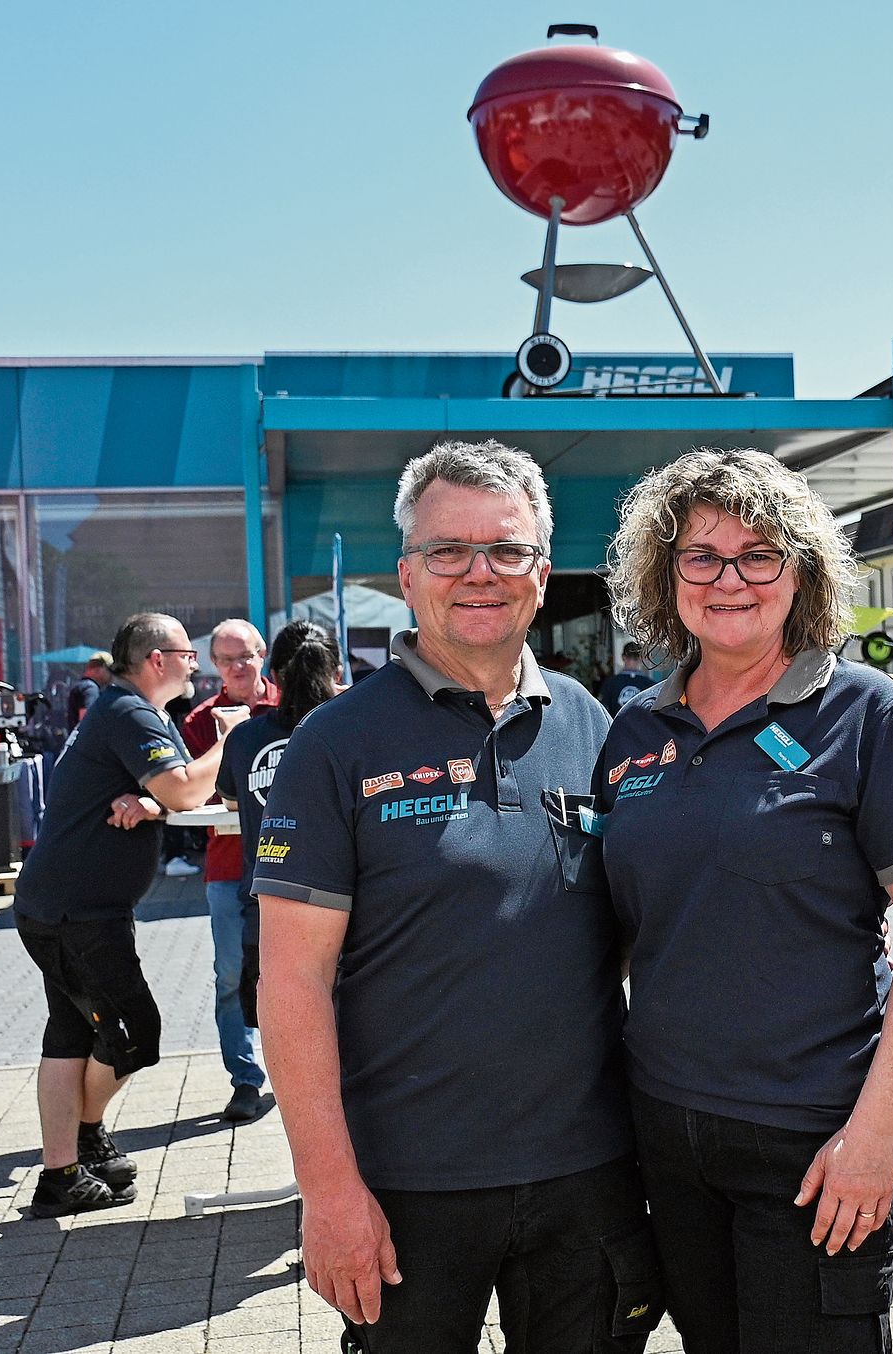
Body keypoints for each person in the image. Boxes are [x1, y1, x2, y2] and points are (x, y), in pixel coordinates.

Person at [254, 441, 658, 1353]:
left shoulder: (598, 727)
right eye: (448, 551)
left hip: (588, 1176)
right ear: (408, 574)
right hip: (406, 1189)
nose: (479, 573)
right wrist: (328, 1191)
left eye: (506, 551)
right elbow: (289, 985)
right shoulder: (334, 744)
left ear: (543, 576)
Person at [599, 448, 893, 1352]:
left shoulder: (865, 713)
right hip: (667, 1130)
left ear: (798, 573)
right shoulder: (634, 729)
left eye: (758, 555)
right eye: (701, 556)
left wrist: (877, 1133)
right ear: (666, 574)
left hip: (813, 1137)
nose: (730, 579)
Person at [11, 613, 246, 1217]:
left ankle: (63, 1170)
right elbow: (187, 792)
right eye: (187, 653)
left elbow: (166, 791)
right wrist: (229, 738)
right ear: (156, 660)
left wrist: (147, 798)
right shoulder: (131, 712)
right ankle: (81, 1146)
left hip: (66, 907)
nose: (196, 662)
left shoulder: (129, 711)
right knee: (135, 1032)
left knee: (71, 1035)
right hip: (77, 912)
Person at [215, 621, 340, 1061]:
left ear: (276, 674)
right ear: (337, 667)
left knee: (291, 1052)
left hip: (269, 910)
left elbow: (230, 799)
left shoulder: (246, 736)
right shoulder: (358, 729)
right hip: (355, 916)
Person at [181, 619, 280, 1123]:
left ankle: (302, 1070)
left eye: (246, 656)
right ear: (214, 667)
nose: (238, 668)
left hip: (288, 864)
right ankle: (245, 1080)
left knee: (301, 972)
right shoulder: (201, 720)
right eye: (227, 660)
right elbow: (190, 793)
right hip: (225, 869)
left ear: (262, 655)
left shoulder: (292, 706)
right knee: (229, 976)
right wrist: (228, 736)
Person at [598, 641, 657, 714]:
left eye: (634, 658)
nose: (632, 662)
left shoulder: (611, 683)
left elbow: (603, 710)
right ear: (641, 659)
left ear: (623, 657)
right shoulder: (650, 685)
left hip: (617, 723)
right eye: (629, 657)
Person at [66, 652, 111, 730]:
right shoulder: (90, 689)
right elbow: (87, 722)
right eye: (110, 670)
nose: (111, 675)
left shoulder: (80, 686)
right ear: (100, 669)